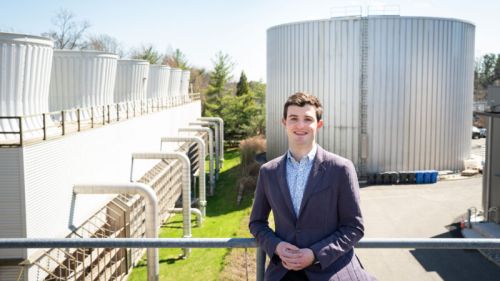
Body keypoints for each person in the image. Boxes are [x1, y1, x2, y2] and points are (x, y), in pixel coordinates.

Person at [249, 92, 375, 281]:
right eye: (293, 118)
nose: (300, 125)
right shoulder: (268, 172)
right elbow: (257, 223)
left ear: (319, 124)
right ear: (284, 122)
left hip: (331, 271)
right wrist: (276, 246)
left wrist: (315, 254)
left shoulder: (341, 168)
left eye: (307, 119)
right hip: (284, 273)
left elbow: (354, 227)